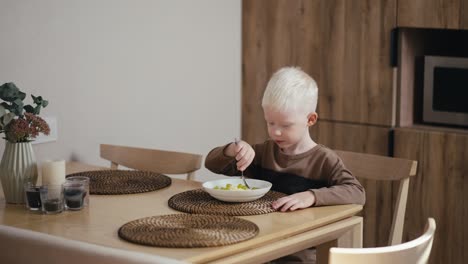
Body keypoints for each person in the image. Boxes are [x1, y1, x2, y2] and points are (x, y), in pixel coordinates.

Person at [205, 66, 365, 263]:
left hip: (300, 254)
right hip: (259, 244)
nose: (275, 132)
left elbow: (357, 192)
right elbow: (211, 163)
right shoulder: (264, 153)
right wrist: (233, 149)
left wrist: (312, 196)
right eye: (270, 123)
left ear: (310, 119)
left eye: (285, 125)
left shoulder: (324, 159)